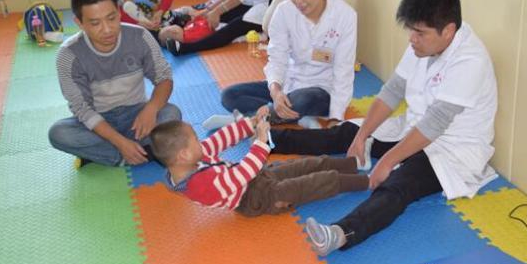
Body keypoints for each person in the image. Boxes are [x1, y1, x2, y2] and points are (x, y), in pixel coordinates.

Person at [270, 0, 498, 255]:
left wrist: (389, 161)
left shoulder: (470, 60)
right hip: (415, 130)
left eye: (419, 33)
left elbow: (436, 123)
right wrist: (362, 135)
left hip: (452, 149)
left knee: (398, 184)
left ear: (448, 31)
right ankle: (270, 138)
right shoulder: (423, 42)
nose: (412, 39)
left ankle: (340, 234)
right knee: (346, 133)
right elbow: (392, 91)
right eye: (411, 31)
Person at [48, 0, 181, 167]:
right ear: (79, 23)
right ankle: (136, 154)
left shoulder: (139, 36)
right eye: (95, 23)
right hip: (99, 121)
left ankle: (103, 154)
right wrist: (120, 142)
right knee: (58, 133)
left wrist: (151, 108)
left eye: (112, 18)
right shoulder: (69, 54)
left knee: (171, 113)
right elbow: (82, 109)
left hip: (136, 114)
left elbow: (164, 77)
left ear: (119, 12)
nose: (107, 29)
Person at [150, 106, 369, 216]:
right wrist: (262, 141)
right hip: (257, 198)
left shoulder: (193, 158)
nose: (201, 143)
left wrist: (251, 123)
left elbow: (220, 140)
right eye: (195, 140)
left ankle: (355, 163)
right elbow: (242, 174)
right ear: (183, 155)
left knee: (308, 164)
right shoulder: (200, 185)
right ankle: (368, 181)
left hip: (257, 178)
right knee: (317, 181)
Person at [215, 0, 357, 130]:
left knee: (304, 99)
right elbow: (277, 58)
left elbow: (344, 70)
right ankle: (293, 117)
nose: (298, 0)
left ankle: (250, 120)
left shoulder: (345, 15)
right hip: (288, 84)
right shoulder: (284, 11)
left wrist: (336, 116)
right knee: (229, 95)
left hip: (321, 91)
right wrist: (276, 92)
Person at [161, 0, 285, 55]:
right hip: (254, 2)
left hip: (270, 7)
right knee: (208, 16)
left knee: (231, 29)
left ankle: (185, 48)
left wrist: (216, 12)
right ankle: (168, 32)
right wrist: (209, 10)